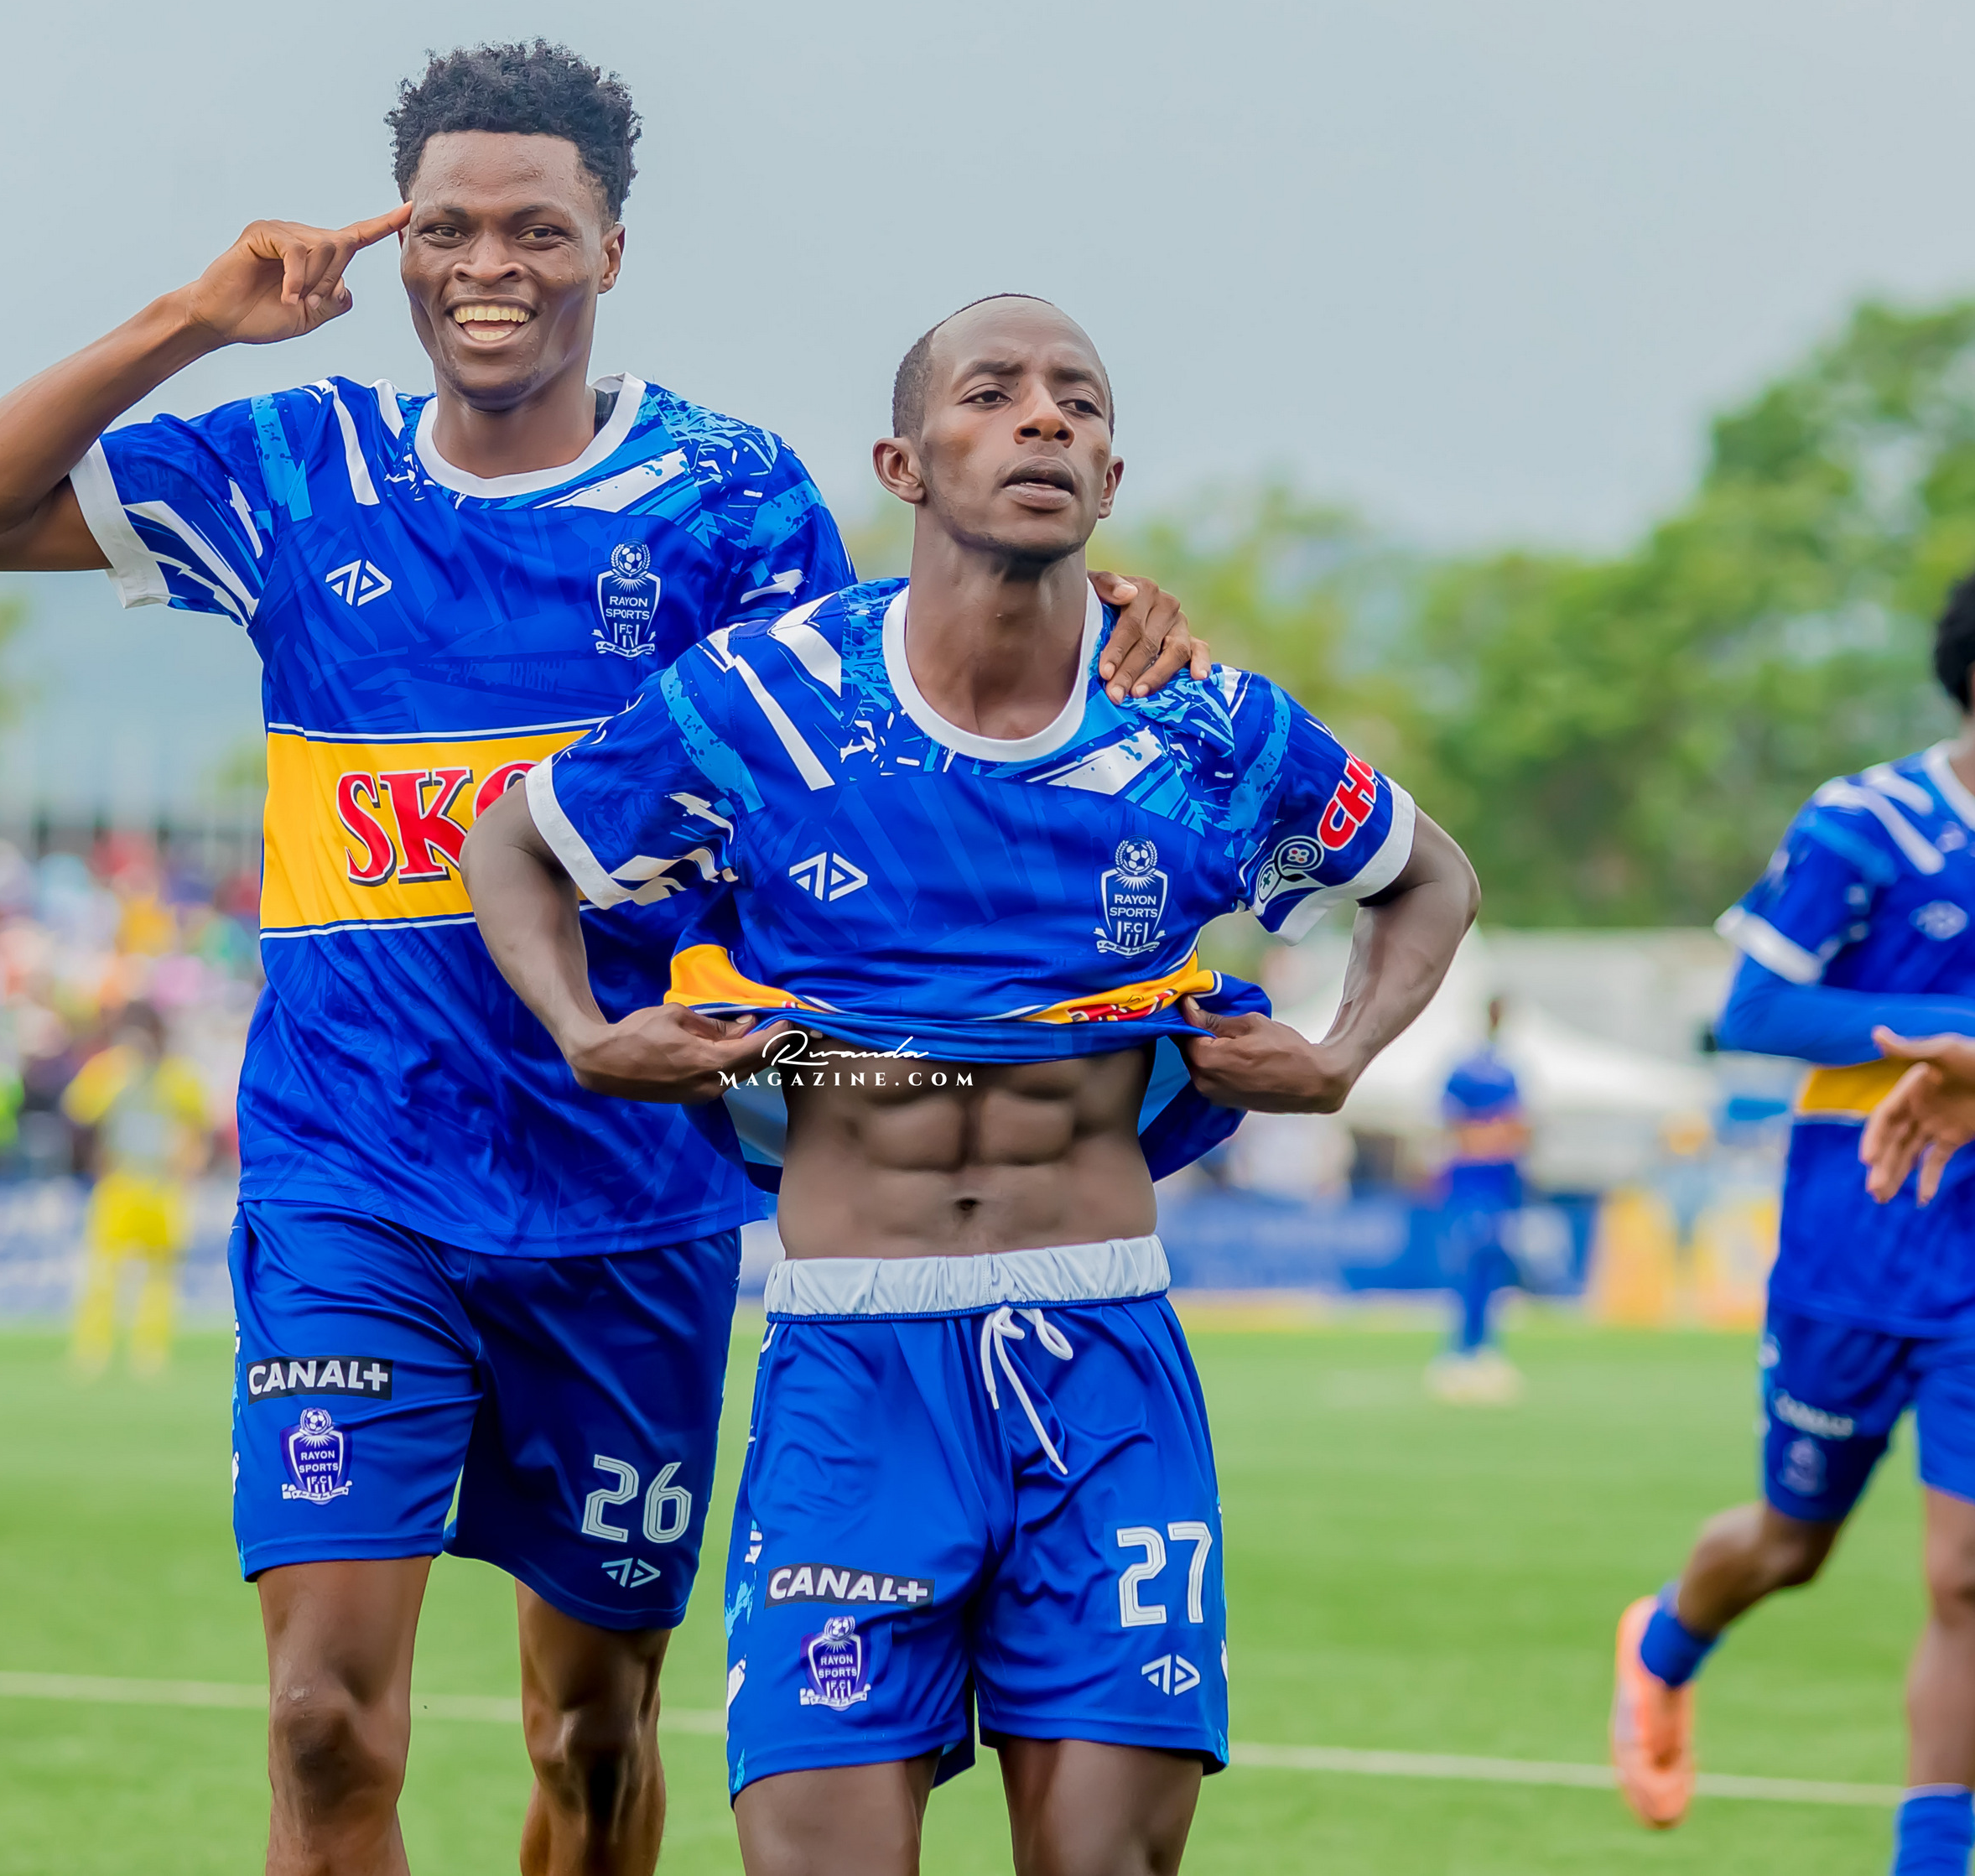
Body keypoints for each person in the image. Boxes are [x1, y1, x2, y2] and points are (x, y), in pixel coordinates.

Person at [0, 44, 1208, 1876]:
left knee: (590, 1737)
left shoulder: (726, 496)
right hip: (357, 1176)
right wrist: (193, 319)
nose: (486, 265)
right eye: (446, 228)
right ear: (401, 247)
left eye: (536, 230)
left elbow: (877, 714)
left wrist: (1093, 605)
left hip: (629, 1201)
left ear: (610, 252)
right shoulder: (299, 464)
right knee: (321, 1720)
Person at [465, 294, 1476, 1875]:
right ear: (905, 463)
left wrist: (1342, 1056)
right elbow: (516, 845)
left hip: (1105, 1364)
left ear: (1112, 477)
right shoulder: (767, 697)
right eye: (993, 392)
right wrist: (588, 1033)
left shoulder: (1201, 722)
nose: (1043, 417)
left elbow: (1428, 876)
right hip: (851, 1372)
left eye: (1078, 399)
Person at [1610, 569, 1975, 1872]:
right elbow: (1756, 1010)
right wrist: (1956, 1038)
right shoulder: (1866, 823)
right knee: (1790, 1540)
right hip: (1859, 1233)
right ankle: (1665, 1641)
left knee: (1965, 1575)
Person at [64, 1000, 212, 1375]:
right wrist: (118, 1073)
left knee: (160, 1275)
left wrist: (190, 1162)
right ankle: (92, 1350)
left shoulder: (178, 1076)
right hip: (119, 1181)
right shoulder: (111, 1070)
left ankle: (150, 1352)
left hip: (163, 1185)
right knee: (103, 1270)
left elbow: (200, 1124)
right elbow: (77, 1109)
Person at [1423, 995, 1530, 1404]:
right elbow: (1451, 1122)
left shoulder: (1509, 1067)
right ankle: (1460, 1351)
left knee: (1492, 1264)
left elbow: (1518, 1125)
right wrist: (1489, 1137)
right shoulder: (1467, 1067)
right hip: (1471, 1179)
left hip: (1500, 1179)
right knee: (1469, 1261)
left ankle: (1483, 1347)